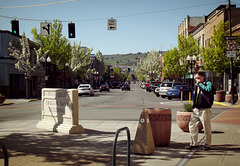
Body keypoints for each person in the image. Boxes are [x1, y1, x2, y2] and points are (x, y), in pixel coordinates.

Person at [185, 71, 213, 150]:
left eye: (198, 78)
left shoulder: (208, 84)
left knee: (206, 127)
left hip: (205, 109)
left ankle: (208, 144)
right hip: (196, 109)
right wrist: (194, 107)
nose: (196, 80)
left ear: (203, 77)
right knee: (192, 125)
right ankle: (194, 143)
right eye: (195, 78)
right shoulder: (196, 86)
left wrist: (200, 84)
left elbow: (207, 90)